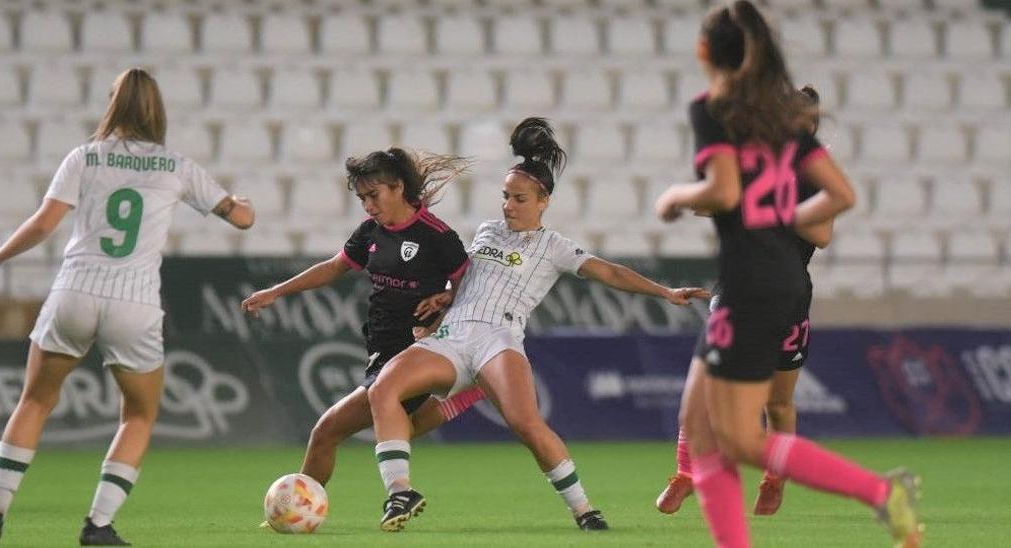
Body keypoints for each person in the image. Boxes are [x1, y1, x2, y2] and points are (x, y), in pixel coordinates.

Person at [652, 3, 920, 547]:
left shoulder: (716, 109)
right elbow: (842, 196)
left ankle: (880, 493)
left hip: (748, 284)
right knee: (703, 427)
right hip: (781, 283)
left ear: (705, 53)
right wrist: (778, 220)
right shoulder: (784, 126)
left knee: (735, 438)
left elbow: (724, 191)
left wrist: (676, 197)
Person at [364, 117, 710, 533]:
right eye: (506, 196)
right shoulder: (488, 232)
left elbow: (611, 273)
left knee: (526, 425)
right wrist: (446, 295)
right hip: (452, 334)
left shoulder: (554, 247)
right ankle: (400, 491)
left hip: (499, 338)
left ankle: (585, 510)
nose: (509, 204)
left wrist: (665, 292)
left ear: (544, 200)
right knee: (384, 387)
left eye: (520, 198)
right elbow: (468, 279)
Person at [0, 68, 255, 546]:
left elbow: (43, 224)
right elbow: (241, 219)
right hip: (134, 304)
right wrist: (242, 203)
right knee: (138, 416)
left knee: (35, 401)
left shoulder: (85, 156)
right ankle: (98, 525)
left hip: (75, 291)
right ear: (158, 110)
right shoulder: (176, 165)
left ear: (113, 104)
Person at [242, 149, 480, 508]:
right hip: (381, 349)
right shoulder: (371, 232)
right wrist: (277, 291)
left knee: (327, 431)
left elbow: (469, 288)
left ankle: (306, 508)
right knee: (397, 430)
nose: (368, 206)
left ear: (398, 187)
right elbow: (335, 266)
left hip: (414, 352)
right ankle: (452, 401)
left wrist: (444, 307)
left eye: (374, 195)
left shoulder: (437, 235)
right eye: (362, 198)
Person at [655, 85, 833, 517]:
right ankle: (685, 473)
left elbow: (823, 235)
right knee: (701, 393)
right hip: (736, 289)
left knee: (777, 402)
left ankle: (774, 480)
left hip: (789, 296)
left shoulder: (817, 176)